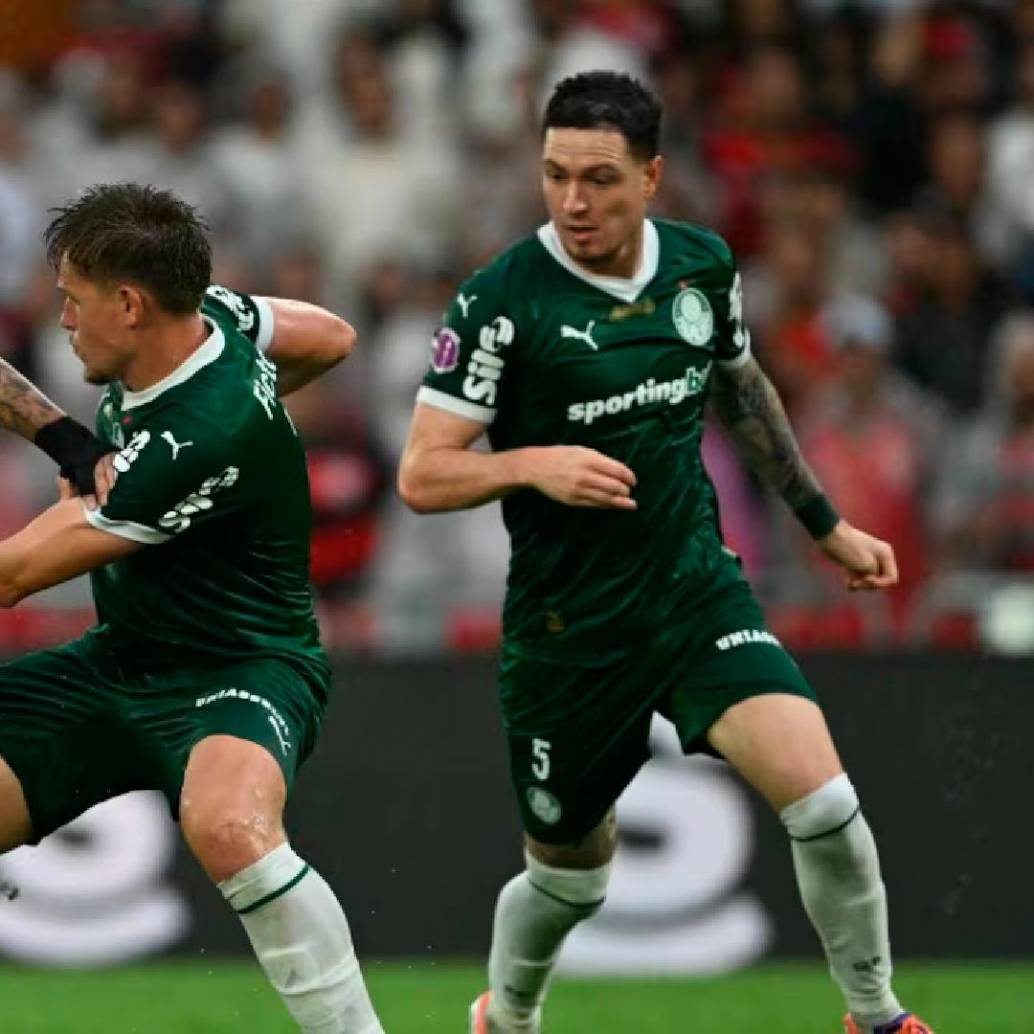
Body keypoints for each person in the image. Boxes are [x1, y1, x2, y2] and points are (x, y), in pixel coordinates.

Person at [397, 72, 933, 1034]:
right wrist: (533, 464)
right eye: (556, 174)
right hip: (570, 633)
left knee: (825, 804)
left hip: (694, 596)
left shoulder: (700, 267)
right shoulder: (499, 301)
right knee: (571, 881)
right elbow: (422, 474)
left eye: (599, 179)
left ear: (650, 176)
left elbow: (742, 391)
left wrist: (826, 526)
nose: (572, 201)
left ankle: (877, 1016)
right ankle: (507, 1015)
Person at [0, 183, 383, 1034]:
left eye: (74, 299)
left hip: (243, 667)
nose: (62, 319)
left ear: (129, 305)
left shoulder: (196, 437)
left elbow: (14, 575)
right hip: (122, 659)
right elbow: (333, 335)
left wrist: (233, 448)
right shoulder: (212, 317)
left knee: (230, 827)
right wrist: (66, 435)